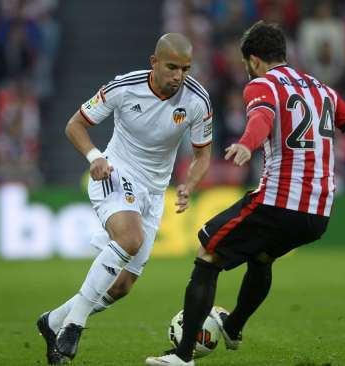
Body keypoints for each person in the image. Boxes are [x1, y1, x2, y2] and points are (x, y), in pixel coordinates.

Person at [145, 21, 345, 366]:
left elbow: (261, 118)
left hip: (279, 200)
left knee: (208, 254)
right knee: (262, 257)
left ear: (254, 60)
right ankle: (233, 327)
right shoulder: (323, 90)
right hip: (319, 212)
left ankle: (183, 356)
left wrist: (247, 144)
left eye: (246, 64)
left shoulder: (262, 85)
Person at [36, 33, 213, 363]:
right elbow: (74, 125)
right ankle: (74, 324)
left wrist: (189, 184)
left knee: (121, 287)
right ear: (154, 62)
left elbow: (203, 155)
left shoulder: (197, 101)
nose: (179, 75)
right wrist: (94, 158)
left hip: (155, 193)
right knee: (130, 239)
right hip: (116, 174)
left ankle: (52, 321)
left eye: (186, 68)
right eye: (172, 67)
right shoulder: (123, 87)